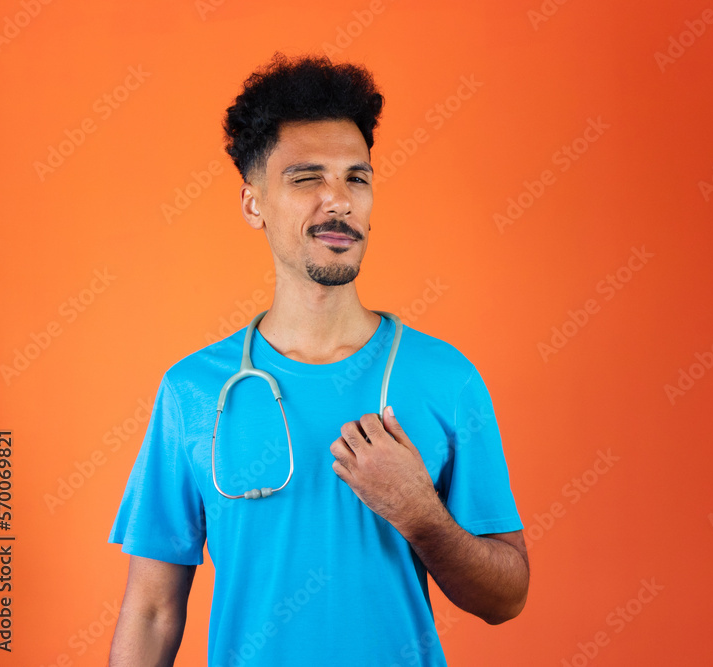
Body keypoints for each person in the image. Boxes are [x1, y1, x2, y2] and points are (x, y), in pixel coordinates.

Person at [107, 53, 528, 666]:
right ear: (254, 204)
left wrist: (420, 514)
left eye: (356, 178)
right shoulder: (192, 392)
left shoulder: (447, 378)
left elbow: (506, 598)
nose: (338, 201)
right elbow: (151, 611)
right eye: (307, 179)